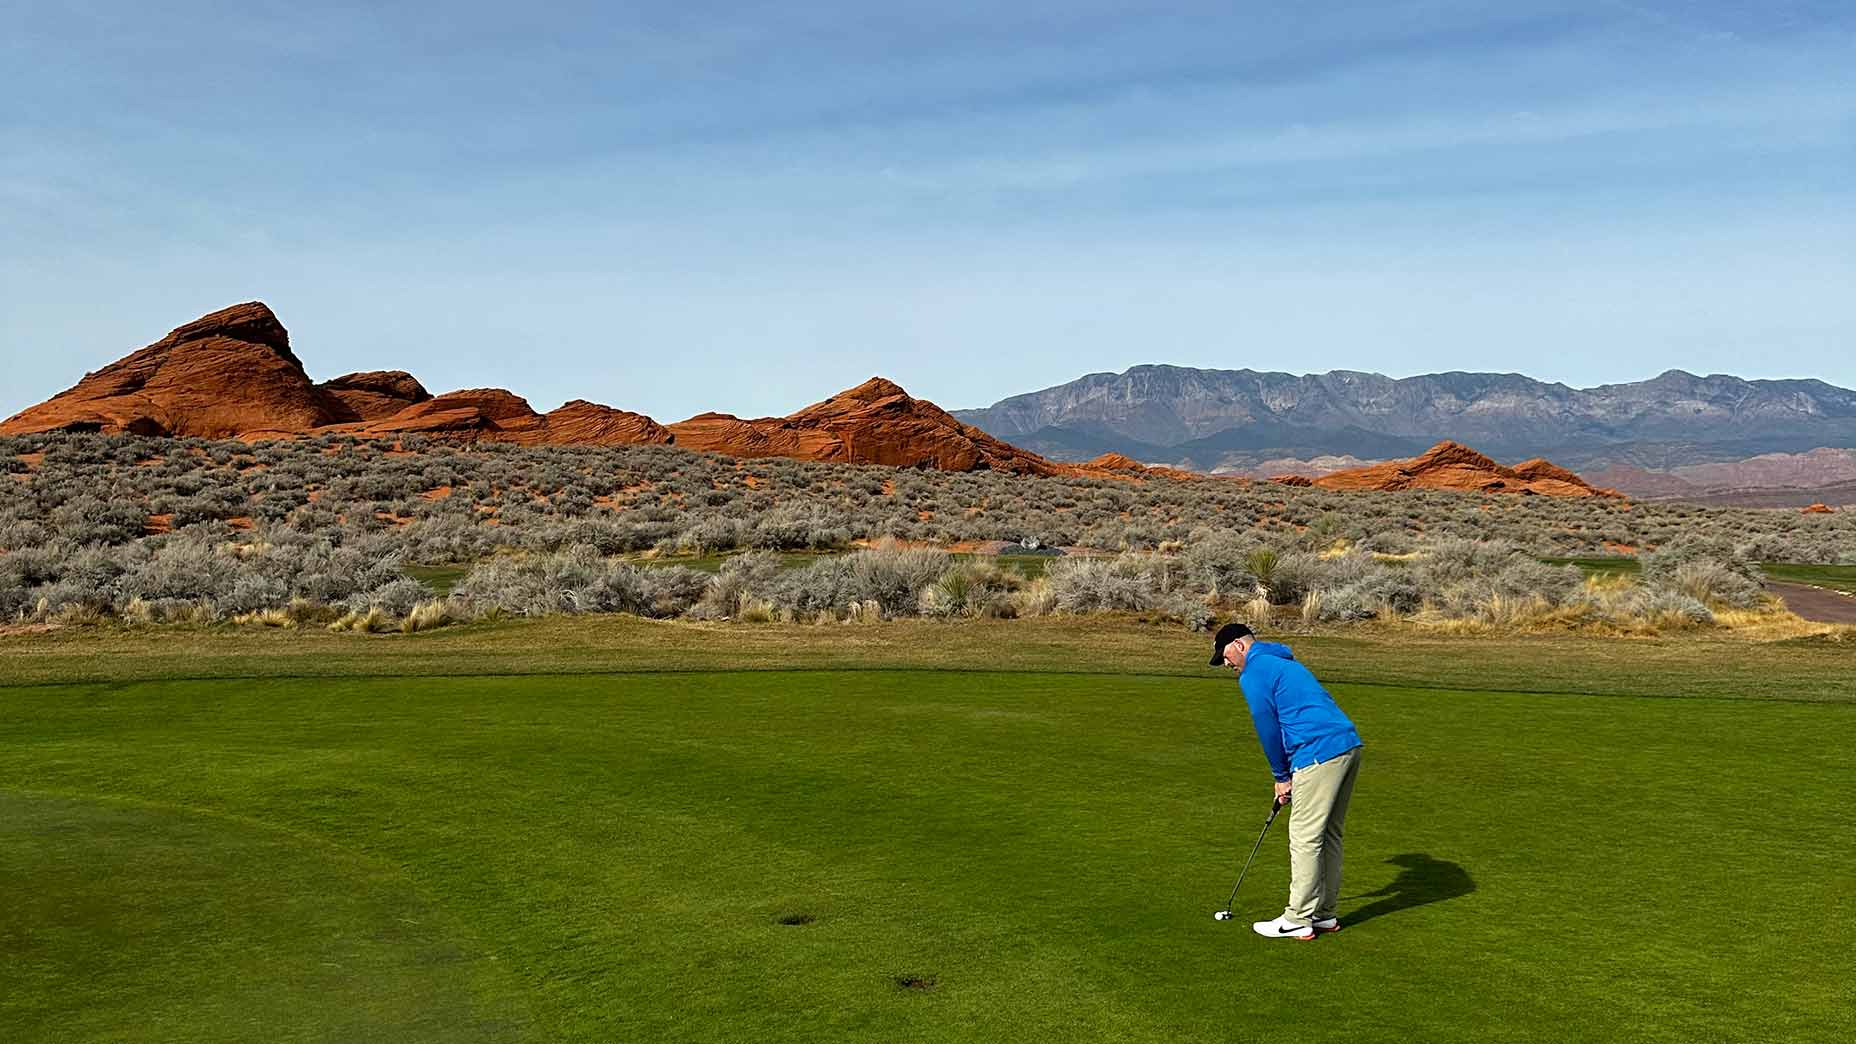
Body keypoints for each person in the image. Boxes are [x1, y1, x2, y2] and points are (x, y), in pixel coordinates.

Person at [1209, 621, 1363, 940]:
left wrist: (1281, 776)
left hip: (1318, 750)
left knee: (1305, 835)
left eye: (1224, 655)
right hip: (1347, 745)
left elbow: (1266, 725)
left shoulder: (1254, 671)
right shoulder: (1281, 660)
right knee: (1329, 833)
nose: (1225, 664)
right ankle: (1324, 914)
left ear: (1239, 645)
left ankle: (1297, 918)